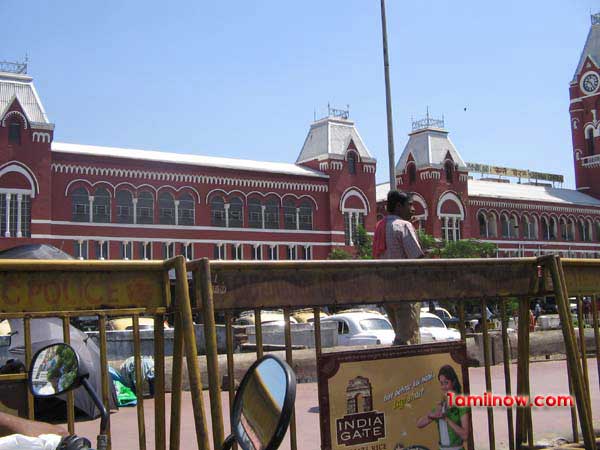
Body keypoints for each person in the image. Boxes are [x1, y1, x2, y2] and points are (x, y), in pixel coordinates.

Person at [375, 190, 424, 345]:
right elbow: (417, 257)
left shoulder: (380, 226)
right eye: (409, 205)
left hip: (386, 292)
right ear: (398, 206)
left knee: (404, 334)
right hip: (405, 291)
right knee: (406, 338)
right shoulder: (403, 225)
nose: (413, 209)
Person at [416, 365, 470, 450]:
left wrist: (446, 419)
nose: (443, 387)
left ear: (454, 382)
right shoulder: (442, 405)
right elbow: (419, 424)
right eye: (441, 383)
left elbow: (465, 435)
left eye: (446, 382)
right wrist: (431, 415)